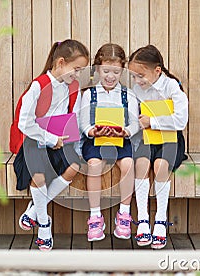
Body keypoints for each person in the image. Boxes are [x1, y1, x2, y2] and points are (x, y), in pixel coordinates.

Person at [14, 39, 89, 251]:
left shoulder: (73, 88)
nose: (77, 75)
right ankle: (44, 224)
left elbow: (73, 117)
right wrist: (49, 139)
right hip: (36, 141)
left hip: (60, 142)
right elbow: (24, 123)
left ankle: (34, 210)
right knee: (38, 176)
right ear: (61, 63)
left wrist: (71, 143)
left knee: (74, 167)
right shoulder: (39, 86)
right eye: (76, 69)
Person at [128, 45, 188, 249]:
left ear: (157, 71)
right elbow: (134, 119)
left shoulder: (172, 87)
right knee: (142, 164)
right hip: (145, 139)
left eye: (140, 75)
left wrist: (152, 121)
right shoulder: (137, 90)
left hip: (169, 140)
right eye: (134, 76)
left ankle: (161, 219)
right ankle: (143, 219)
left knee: (161, 167)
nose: (137, 81)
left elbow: (180, 121)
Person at [80, 43, 139, 242]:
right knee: (94, 165)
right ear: (97, 69)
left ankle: (124, 214)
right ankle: (95, 215)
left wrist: (126, 131)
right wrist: (91, 130)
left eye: (116, 71)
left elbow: (135, 123)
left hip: (120, 141)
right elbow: (83, 122)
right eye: (106, 71)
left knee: (129, 164)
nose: (110, 76)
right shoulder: (89, 94)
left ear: (122, 70)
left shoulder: (127, 94)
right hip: (96, 141)